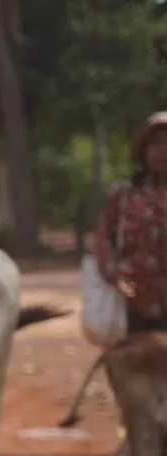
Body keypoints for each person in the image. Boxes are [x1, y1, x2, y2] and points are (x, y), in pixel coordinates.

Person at [94, 110, 167, 335]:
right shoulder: (123, 194)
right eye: (155, 143)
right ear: (143, 150)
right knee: (137, 365)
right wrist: (115, 274)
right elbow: (103, 237)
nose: (163, 150)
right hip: (133, 301)